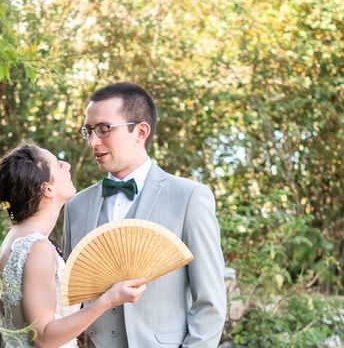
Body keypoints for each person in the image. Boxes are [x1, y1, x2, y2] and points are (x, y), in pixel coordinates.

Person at [63, 82, 227, 347]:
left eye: (104, 129)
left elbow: (210, 302)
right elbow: (69, 298)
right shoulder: (75, 206)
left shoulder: (189, 198)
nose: (93, 142)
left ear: (140, 131)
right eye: (89, 131)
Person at [0, 143, 146, 348]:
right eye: (58, 165)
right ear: (48, 189)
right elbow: (45, 338)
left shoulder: (14, 238)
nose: (68, 165)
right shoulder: (37, 248)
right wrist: (109, 300)